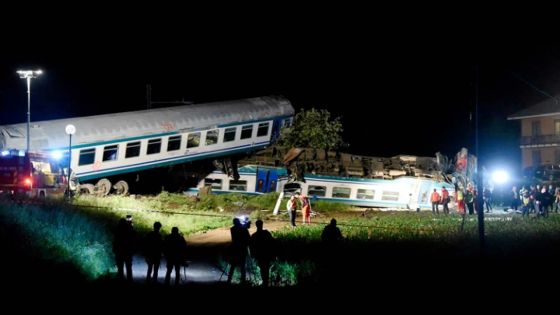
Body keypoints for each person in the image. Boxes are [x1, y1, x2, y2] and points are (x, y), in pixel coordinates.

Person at [250, 220, 276, 287]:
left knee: (262, 268)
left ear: (256, 225)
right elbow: (272, 242)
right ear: (262, 224)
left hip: (259, 255)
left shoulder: (254, 235)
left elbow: (251, 246)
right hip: (267, 254)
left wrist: (252, 254)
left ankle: (264, 282)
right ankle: (266, 282)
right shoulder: (266, 233)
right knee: (266, 269)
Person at [227, 218, 250, 284]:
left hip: (235, 249)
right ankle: (243, 280)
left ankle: (229, 279)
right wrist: (245, 225)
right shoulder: (241, 228)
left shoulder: (233, 229)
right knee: (242, 265)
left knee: (233, 265)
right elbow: (248, 237)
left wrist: (245, 225)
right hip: (242, 249)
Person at [113, 217, 136, 281]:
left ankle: (121, 280)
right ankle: (129, 280)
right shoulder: (129, 229)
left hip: (120, 252)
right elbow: (133, 239)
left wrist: (115, 250)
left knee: (120, 268)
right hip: (127, 252)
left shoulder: (117, 230)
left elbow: (115, 241)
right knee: (128, 267)